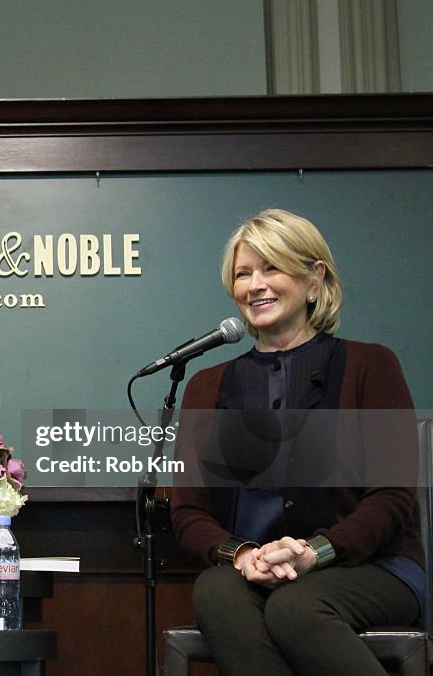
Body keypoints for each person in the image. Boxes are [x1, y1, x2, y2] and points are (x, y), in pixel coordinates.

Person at [170, 209, 424, 675]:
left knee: (296, 607)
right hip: (258, 569)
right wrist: (243, 556)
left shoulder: (371, 366)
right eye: (243, 274)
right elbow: (188, 511)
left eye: (272, 268)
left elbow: (392, 497)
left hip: (370, 566)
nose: (255, 285)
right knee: (215, 590)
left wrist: (315, 552)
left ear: (314, 280)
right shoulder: (208, 386)